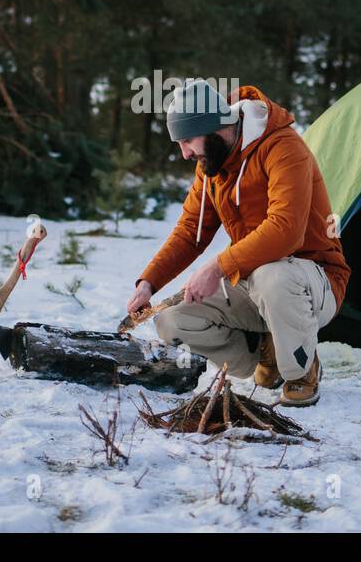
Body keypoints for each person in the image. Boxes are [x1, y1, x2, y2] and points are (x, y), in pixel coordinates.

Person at [126, 80, 349, 406]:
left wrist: (218, 266)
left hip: (314, 279)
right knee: (171, 321)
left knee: (273, 275)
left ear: (214, 129)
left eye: (187, 141)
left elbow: (286, 230)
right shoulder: (212, 164)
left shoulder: (283, 147)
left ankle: (301, 370)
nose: (185, 153)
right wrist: (148, 283)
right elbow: (190, 231)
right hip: (252, 280)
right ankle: (268, 353)